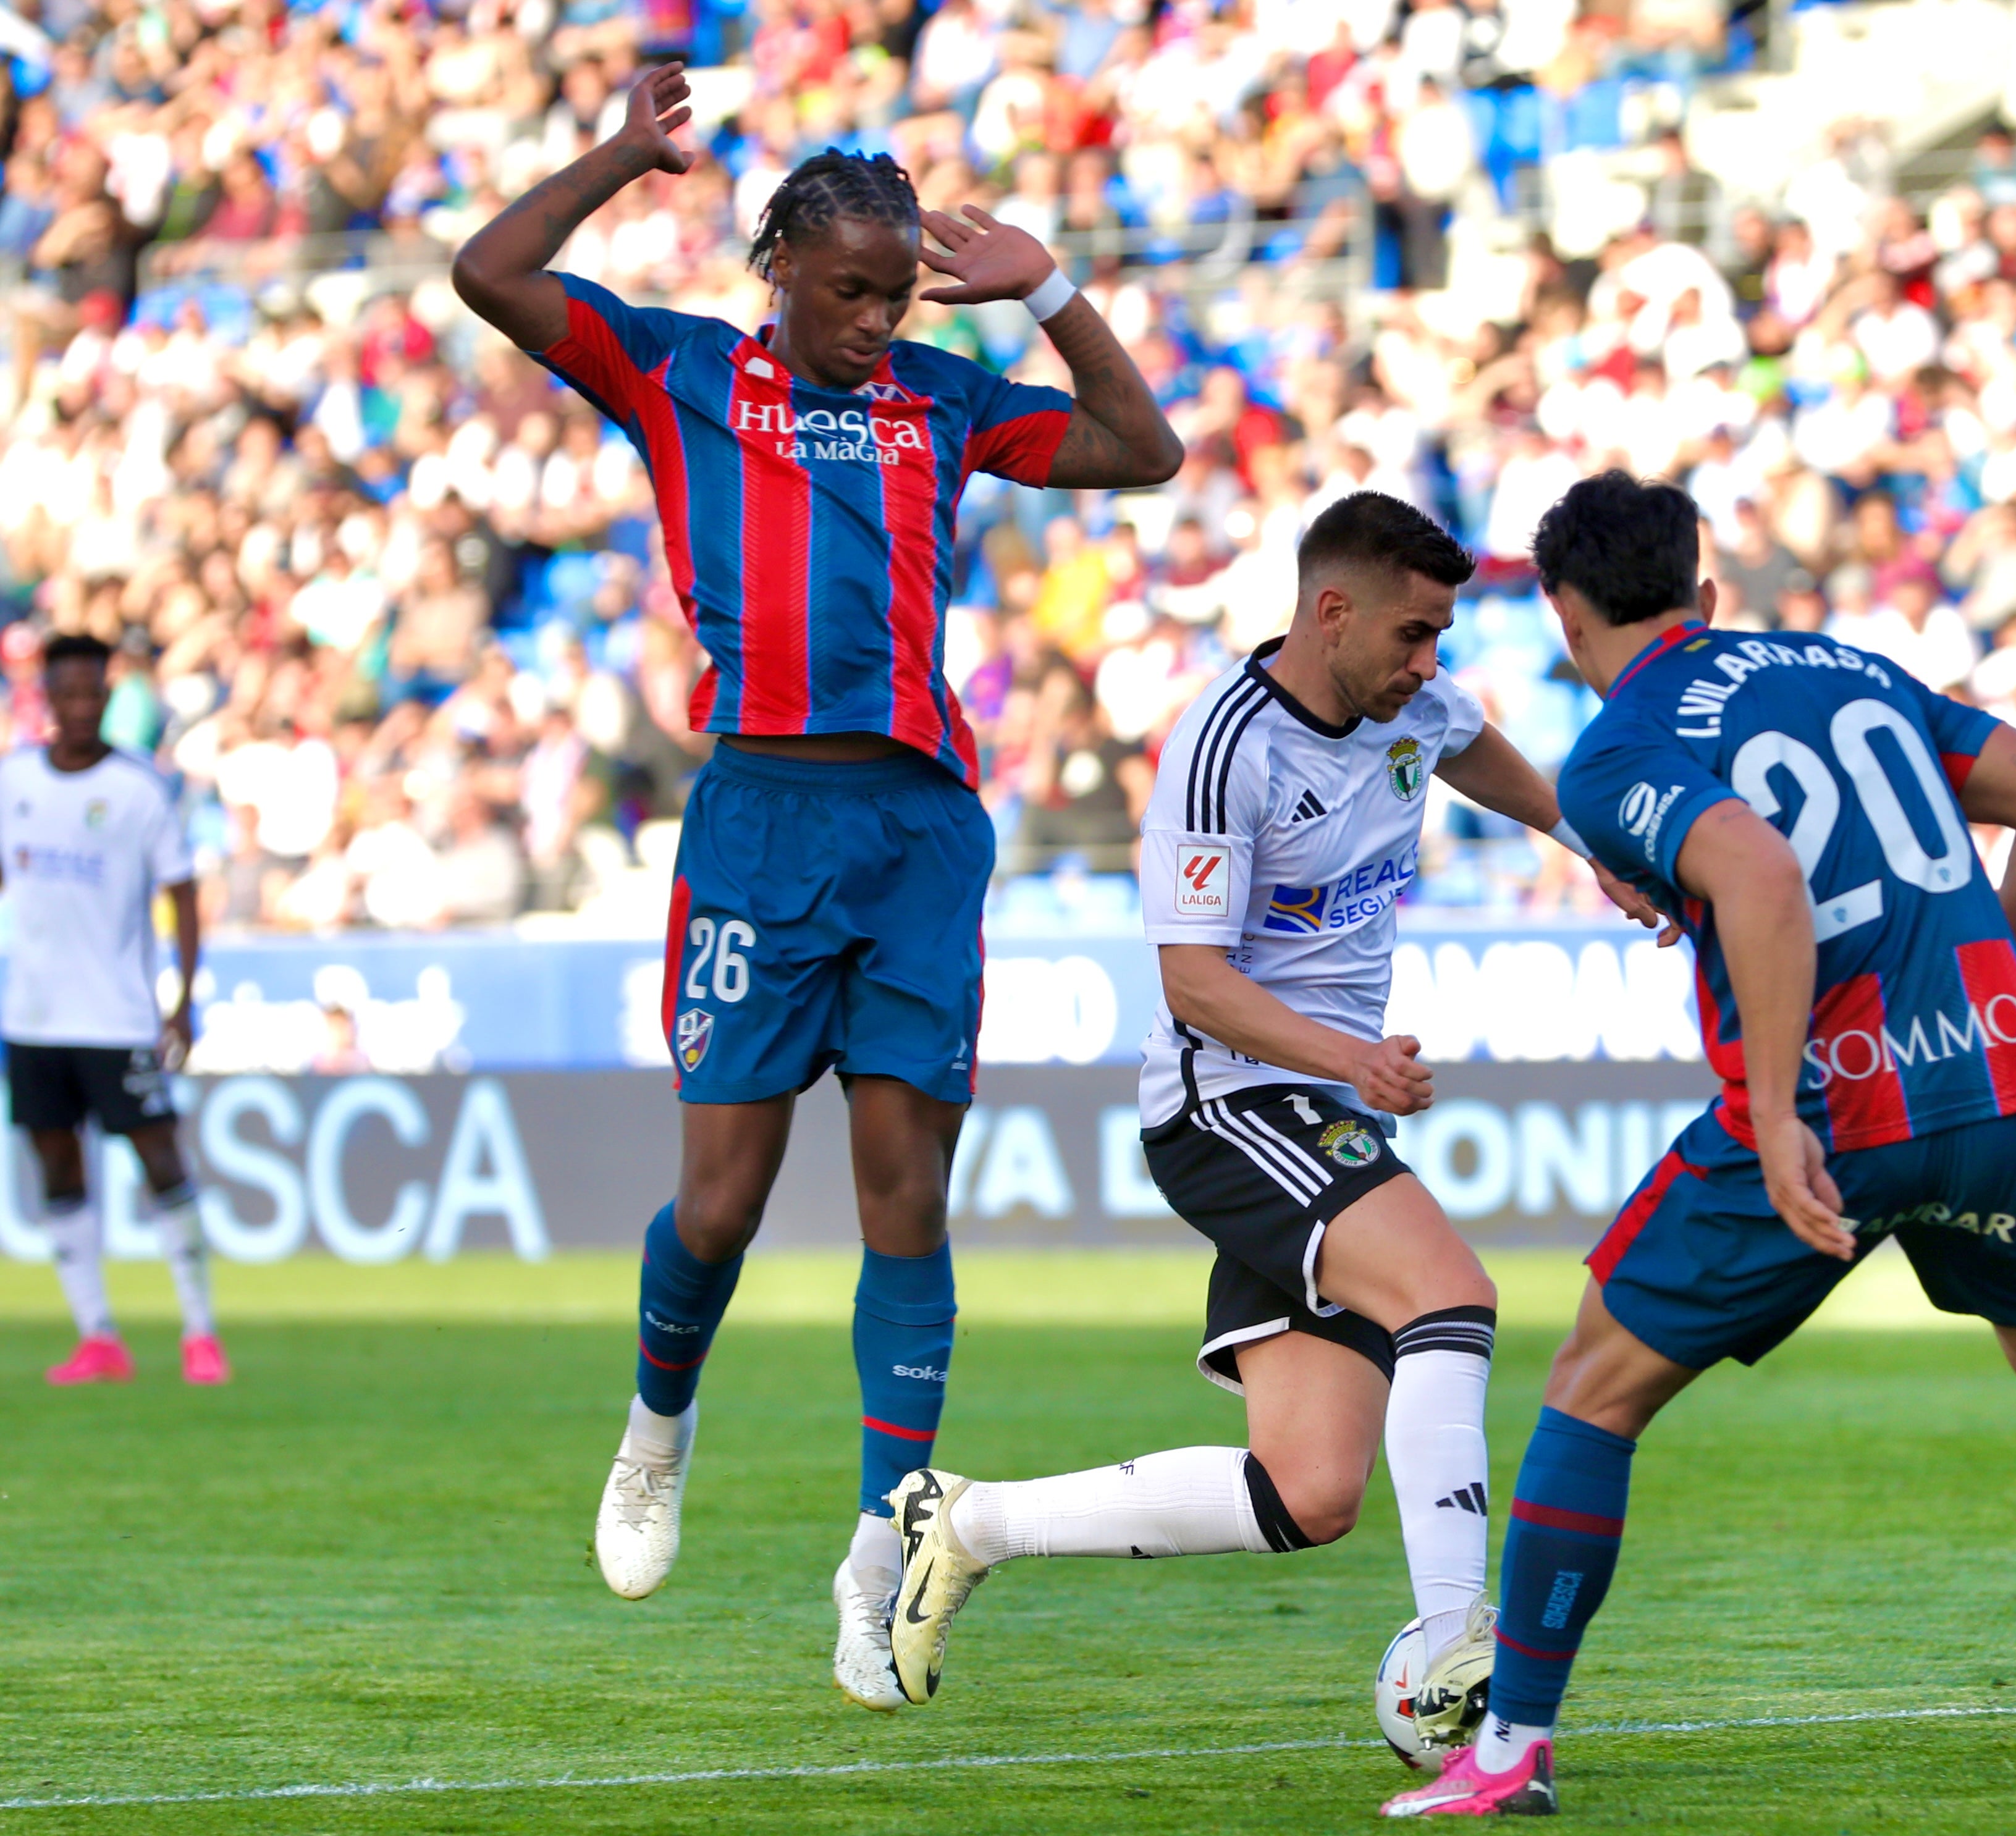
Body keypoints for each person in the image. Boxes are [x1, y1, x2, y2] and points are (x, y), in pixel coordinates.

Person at [1385, 474, 2016, 1817]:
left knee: (1590, 1390)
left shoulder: (1623, 746)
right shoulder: (1853, 669)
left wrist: (1774, 1094)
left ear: (1564, 617)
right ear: (1703, 593)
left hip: (1835, 1107)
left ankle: (1509, 1750)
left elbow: (1756, 873)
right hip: (2006, 1078)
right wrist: (1953, 980)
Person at [448, 63, 1181, 1707]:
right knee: (717, 1203)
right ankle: (657, 1424)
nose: (871, 320)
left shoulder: (947, 396)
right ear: (776, 265)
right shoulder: (681, 370)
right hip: (758, 828)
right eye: (847, 289)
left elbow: (1147, 447)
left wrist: (1046, 290)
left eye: (896, 290)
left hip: (918, 832)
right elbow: (488, 275)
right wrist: (626, 157)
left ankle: (882, 1547)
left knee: (904, 1199)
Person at [884, 492, 1670, 1729]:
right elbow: (1193, 983)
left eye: (1443, 637)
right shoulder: (1224, 750)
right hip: (1229, 1098)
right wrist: (1349, 1060)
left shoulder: (1407, 700)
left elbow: (1469, 742)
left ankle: (972, 1521)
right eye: (1414, 635)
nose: (1432, 664)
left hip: (1318, 1098)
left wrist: (1584, 840)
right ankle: (1462, 1636)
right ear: (1330, 611)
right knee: (1449, 1294)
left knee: (1308, 1491)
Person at [1, 635, 224, 1387]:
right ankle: (98, 1335)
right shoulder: (14, 782)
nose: (78, 707)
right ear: (45, 698)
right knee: (57, 1164)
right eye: (63, 693)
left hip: (117, 1016)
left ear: (106, 694)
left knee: (160, 1159)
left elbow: (183, 891)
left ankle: (200, 1331)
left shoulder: (137, 789)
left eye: (91, 692)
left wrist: (183, 999)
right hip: (32, 1018)